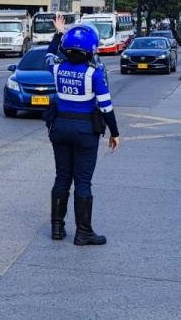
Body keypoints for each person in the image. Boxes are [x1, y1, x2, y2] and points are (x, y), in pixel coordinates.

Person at [43, 15, 120, 246]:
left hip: (59, 128)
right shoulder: (94, 73)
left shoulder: (56, 67)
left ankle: (57, 228)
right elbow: (106, 107)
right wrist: (115, 133)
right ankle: (83, 232)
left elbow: (49, 53)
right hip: (85, 131)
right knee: (83, 181)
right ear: (92, 49)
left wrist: (59, 32)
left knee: (62, 177)